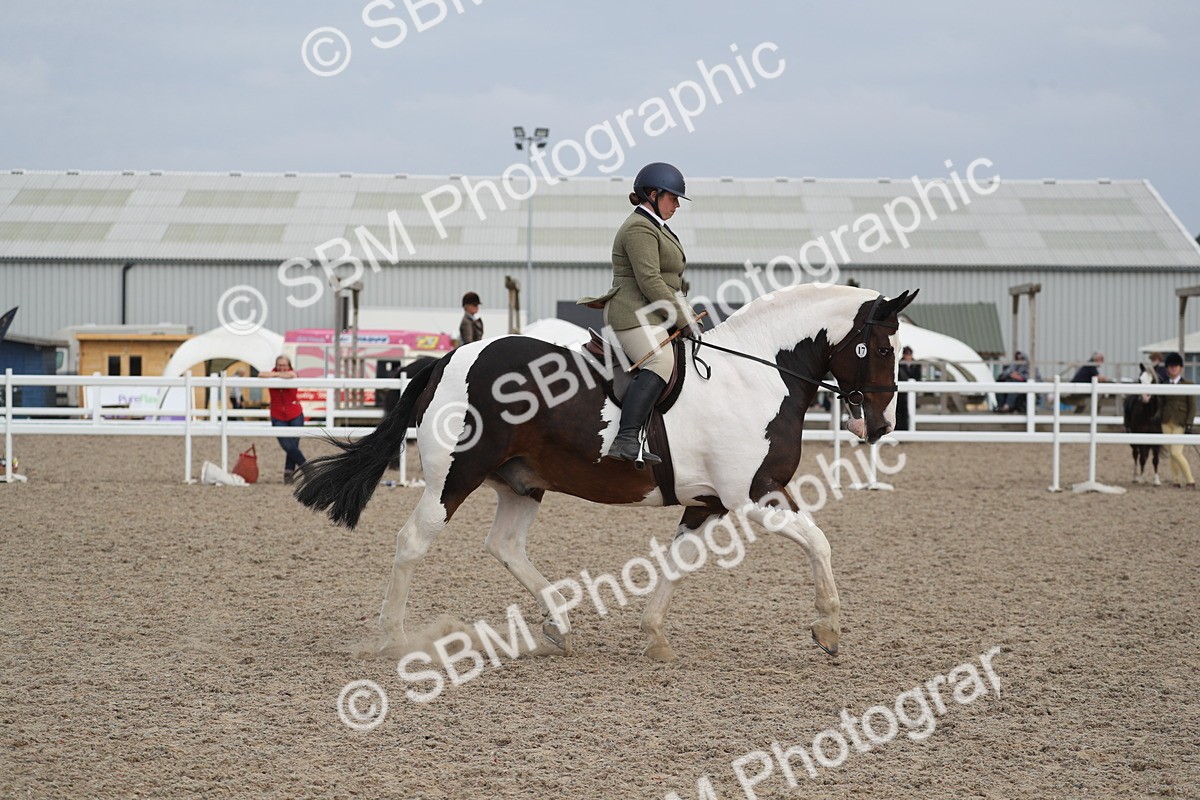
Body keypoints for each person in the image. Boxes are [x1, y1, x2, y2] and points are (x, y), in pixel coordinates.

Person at [578, 162, 700, 464]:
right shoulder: (638, 228)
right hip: (632, 314)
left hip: (653, 314)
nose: (676, 206)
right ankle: (627, 438)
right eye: (672, 198)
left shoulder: (657, 227)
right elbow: (650, 281)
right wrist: (681, 319)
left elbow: (670, 282)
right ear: (652, 194)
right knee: (659, 360)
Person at [260, 355, 307, 484]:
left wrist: (275, 375)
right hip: (277, 414)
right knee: (287, 444)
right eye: (279, 365)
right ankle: (308, 468)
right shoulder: (271, 373)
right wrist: (276, 374)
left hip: (295, 413)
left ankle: (288, 472)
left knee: (293, 445)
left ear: (289, 366)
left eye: (284, 365)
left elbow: (291, 375)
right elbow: (260, 374)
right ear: (276, 365)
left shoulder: (292, 373)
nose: (281, 368)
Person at [1160, 352, 1196, 489]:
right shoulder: (1163, 385)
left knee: (1176, 452)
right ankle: (1176, 480)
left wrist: (1189, 423)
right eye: (1170, 366)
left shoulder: (1188, 384)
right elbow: (1161, 404)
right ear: (1167, 369)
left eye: (1176, 366)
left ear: (1180, 368)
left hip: (1180, 422)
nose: (1173, 368)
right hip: (1166, 421)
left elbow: (1192, 407)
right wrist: (1157, 416)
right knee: (1171, 453)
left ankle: (1190, 479)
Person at [895, 346, 921, 430]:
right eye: (907, 354)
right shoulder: (899, 364)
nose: (908, 356)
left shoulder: (916, 365)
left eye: (909, 354)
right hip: (902, 394)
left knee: (908, 411)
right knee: (901, 411)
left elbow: (918, 377)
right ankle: (901, 429)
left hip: (911, 391)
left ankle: (907, 428)